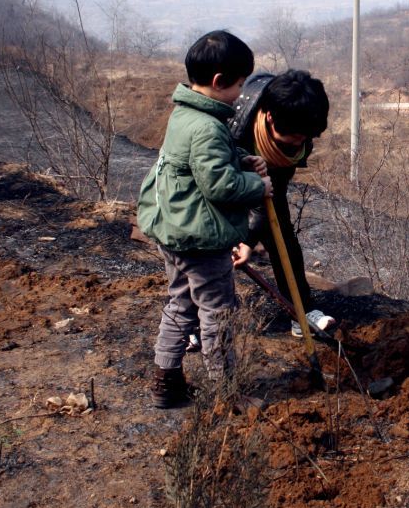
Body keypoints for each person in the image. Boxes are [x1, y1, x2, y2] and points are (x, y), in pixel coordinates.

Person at [137, 30, 272, 409]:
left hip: (173, 230)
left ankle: (166, 382)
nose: (241, 92)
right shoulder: (208, 127)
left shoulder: (186, 113)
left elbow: (198, 164)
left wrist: (240, 157)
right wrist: (257, 185)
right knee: (218, 312)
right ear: (219, 82)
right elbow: (220, 187)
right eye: (241, 84)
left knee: (180, 303)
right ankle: (227, 393)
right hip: (199, 238)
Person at [228, 69, 335, 338]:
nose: (302, 143)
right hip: (220, 179)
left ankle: (302, 312)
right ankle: (196, 322)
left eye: (306, 138)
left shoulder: (299, 124)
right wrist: (241, 238)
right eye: (296, 137)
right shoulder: (234, 122)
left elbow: (269, 197)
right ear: (270, 118)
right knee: (212, 248)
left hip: (264, 183)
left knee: (282, 235)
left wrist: (249, 239)